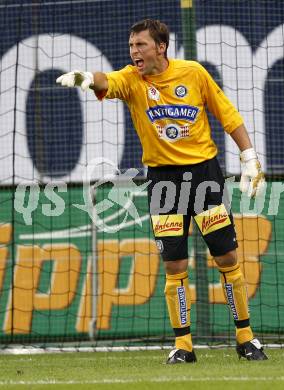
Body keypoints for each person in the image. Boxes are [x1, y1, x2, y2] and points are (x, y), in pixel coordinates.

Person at [56, 18, 267, 363]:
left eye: (140, 45)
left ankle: (246, 338)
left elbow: (228, 115)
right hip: (163, 181)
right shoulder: (131, 79)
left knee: (227, 257)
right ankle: (183, 346)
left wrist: (250, 158)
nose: (134, 52)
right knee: (174, 264)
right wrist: (82, 77)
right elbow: (104, 79)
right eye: (131, 46)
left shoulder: (193, 73)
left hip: (205, 177)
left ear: (161, 47)